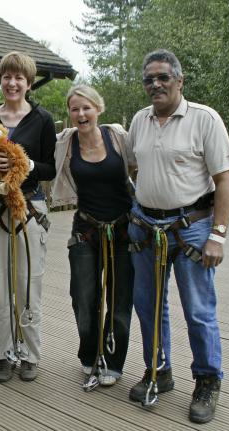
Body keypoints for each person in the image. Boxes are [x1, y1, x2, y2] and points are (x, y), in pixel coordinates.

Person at [125, 49, 229, 423]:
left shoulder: (204, 119)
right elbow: (132, 164)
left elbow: (225, 180)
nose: (155, 84)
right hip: (145, 228)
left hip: (192, 229)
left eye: (163, 77)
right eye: (149, 79)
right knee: (149, 306)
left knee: (198, 310)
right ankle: (159, 370)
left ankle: (207, 380)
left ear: (179, 81)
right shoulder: (139, 121)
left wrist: (218, 235)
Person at [0, 51, 56, 382]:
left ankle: (30, 353)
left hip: (29, 208)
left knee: (27, 284)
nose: (12, 82)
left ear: (28, 83)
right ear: (0, 80)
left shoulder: (42, 119)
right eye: (7, 76)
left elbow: (49, 166)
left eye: (19, 77)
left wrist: (25, 165)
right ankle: (4, 354)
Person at [51, 85, 134, 388]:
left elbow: (147, 162)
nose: (81, 114)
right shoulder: (65, 143)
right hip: (85, 229)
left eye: (86, 108)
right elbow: (37, 159)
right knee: (84, 297)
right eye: (75, 109)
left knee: (120, 299)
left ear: (98, 108)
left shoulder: (118, 138)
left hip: (123, 230)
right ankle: (89, 355)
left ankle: (113, 361)